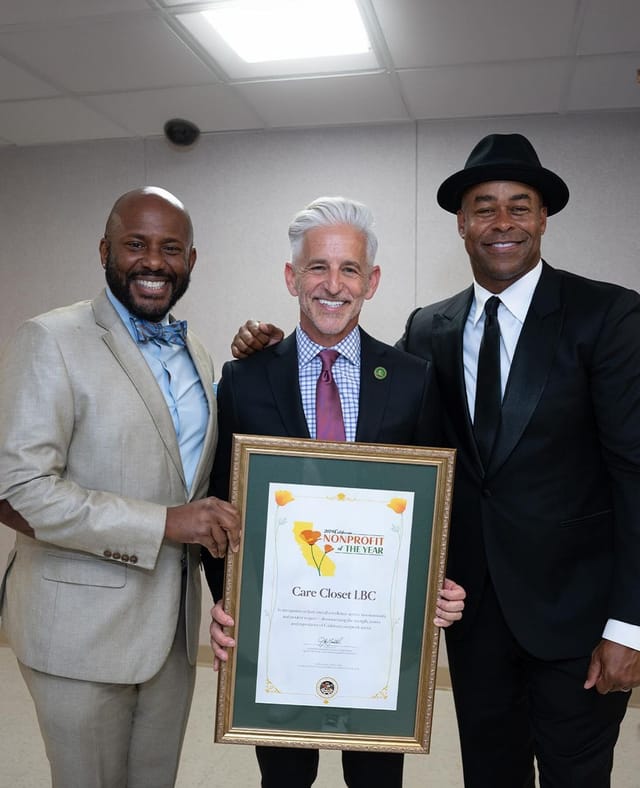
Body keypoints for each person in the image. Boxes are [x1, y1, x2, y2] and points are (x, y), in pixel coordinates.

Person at [229, 134, 640, 787]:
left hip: (576, 621)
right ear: (461, 223)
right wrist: (272, 350)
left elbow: (633, 473)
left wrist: (631, 624)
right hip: (471, 619)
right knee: (490, 774)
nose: (501, 222)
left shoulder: (608, 315)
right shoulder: (429, 329)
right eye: (484, 207)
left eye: (518, 206)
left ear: (543, 218)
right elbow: (362, 396)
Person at [203, 196, 466, 788]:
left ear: (371, 282)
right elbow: (221, 502)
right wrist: (228, 598)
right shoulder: (244, 379)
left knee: (376, 779)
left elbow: (439, 505)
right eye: (317, 267)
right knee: (285, 777)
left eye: (349, 269)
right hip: (277, 634)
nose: (332, 284)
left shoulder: (411, 380)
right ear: (292, 276)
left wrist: (439, 582)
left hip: (376, 642)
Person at [0, 187, 241, 788]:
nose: (154, 261)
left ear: (191, 259)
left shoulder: (199, 355)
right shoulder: (51, 339)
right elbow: (16, 488)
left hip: (172, 635)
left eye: (171, 248)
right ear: (106, 249)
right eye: (136, 244)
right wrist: (164, 523)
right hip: (77, 631)